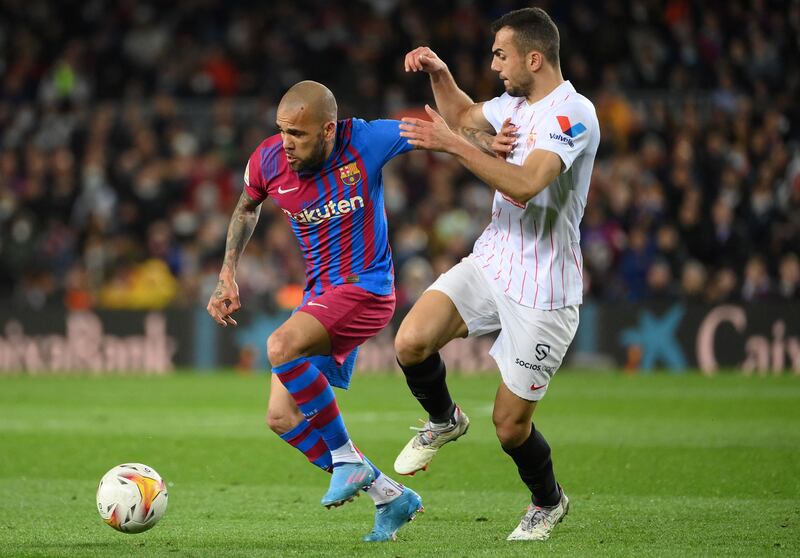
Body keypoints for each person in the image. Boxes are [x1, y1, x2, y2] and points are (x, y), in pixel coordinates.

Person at [393, 7, 600, 541]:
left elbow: (527, 184)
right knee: (411, 341)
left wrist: (455, 145)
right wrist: (440, 74)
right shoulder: (513, 103)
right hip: (494, 258)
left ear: (535, 57)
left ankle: (547, 502)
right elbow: (462, 116)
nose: (495, 65)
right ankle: (444, 419)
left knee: (510, 427)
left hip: (545, 288)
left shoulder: (571, 113)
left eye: (501, 55)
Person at [206, 81, 431, 542]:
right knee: (281, 416)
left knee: (279, 346)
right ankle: (390, 497)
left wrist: (487, 138)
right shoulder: (266, 160)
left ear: (328, 129)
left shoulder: (363, 140)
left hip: (367, 287)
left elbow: (433, 131)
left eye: (299, 134)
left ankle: (347, 460)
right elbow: (247, 208)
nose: (287, 142)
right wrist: (227, 272)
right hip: (320, 295)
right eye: (283, 130)